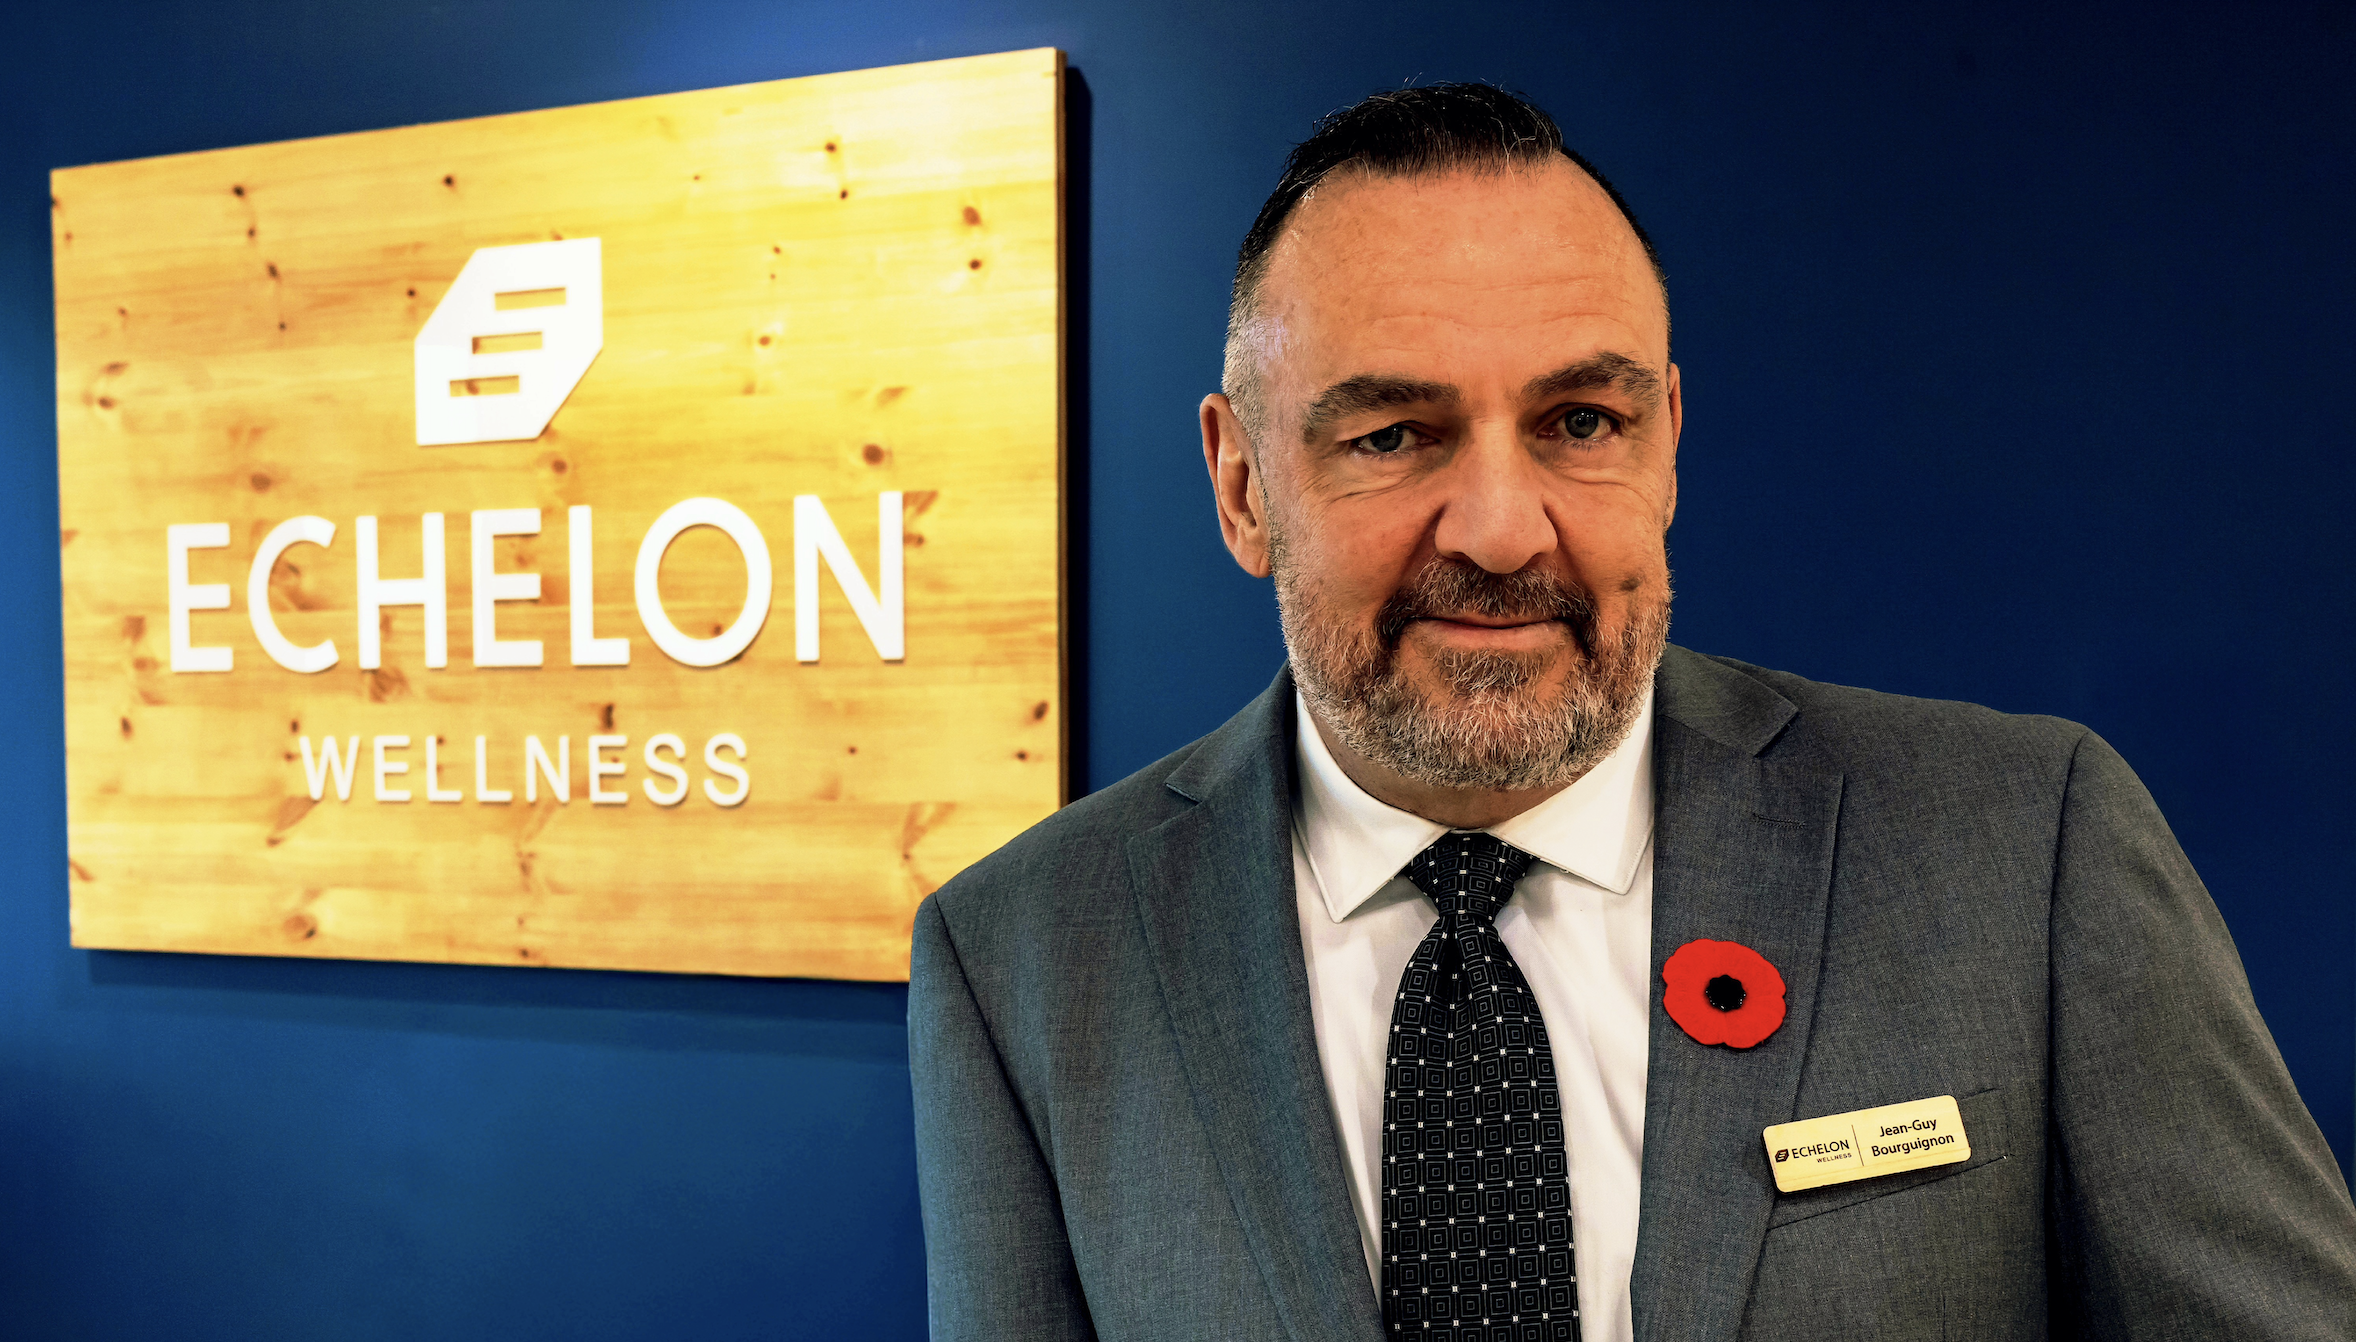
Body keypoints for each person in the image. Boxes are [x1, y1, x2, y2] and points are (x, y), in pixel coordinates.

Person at [907, 84, 2356, 1341]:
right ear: (1242, 485)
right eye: (1393, 433)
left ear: (1667, 445)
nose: (1496, 526)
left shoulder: (2025, 853)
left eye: (1580, 423)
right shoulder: (1028, 957)